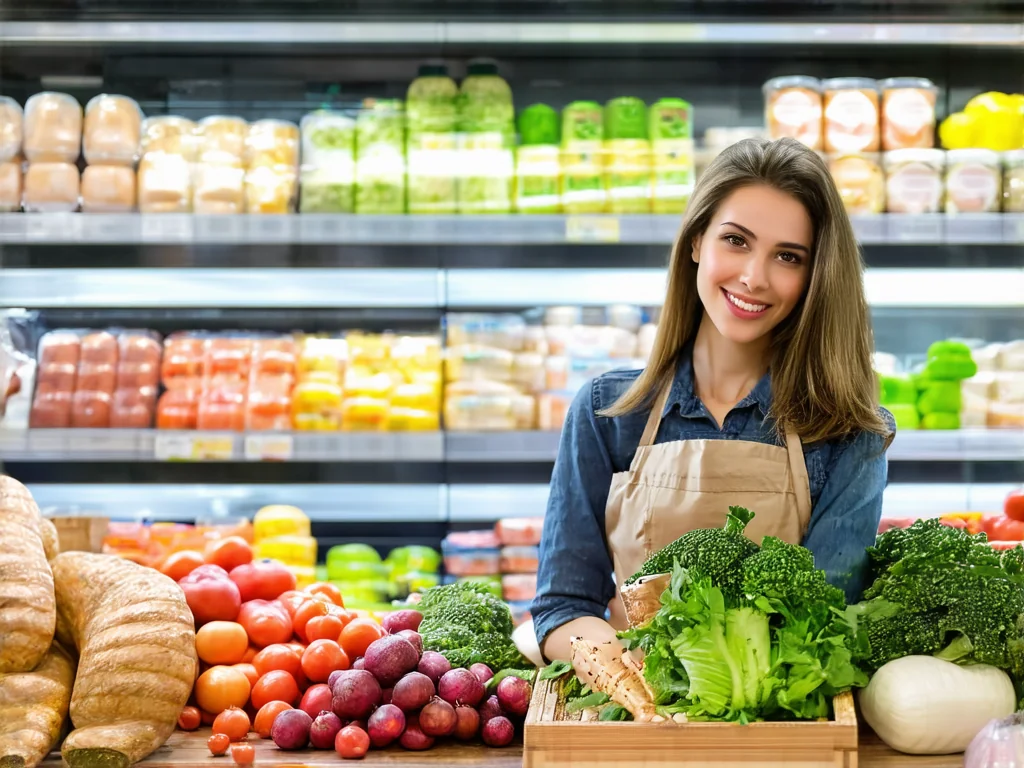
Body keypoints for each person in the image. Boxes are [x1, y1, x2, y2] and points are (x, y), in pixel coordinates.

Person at [532, 137, 895, 665]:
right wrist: (632, 675)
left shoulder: (848, 433)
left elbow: (822, 625)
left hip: (777, 730)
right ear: (697, 240)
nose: (754, 277)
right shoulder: (607, 413)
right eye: (736, 240)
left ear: (815, 277)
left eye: (787, 257)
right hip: (636, 724)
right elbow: (563, 607)